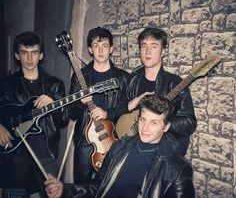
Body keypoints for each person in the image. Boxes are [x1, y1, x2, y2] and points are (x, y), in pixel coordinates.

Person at [45, 94, 195, 198]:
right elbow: (97, 187)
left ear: (167, 126)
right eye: (143, 119)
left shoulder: (178, 170)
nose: (144, 128)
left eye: (154, 122)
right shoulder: (119, 147)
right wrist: (65, 189)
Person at [0, 31, 69, 197]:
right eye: (24, 52)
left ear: (41, 55)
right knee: (14, 195)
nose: (29, 58)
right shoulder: (6, 84)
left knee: (52, 194)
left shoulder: (54, 85)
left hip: (45, 152)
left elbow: (64, 120)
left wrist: (54, 106)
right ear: (17, 56)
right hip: (14, 153)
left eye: (34, 52)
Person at [69, 26, 130, 184]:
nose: (101, 50)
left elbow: (129, 111)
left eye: (105, 45)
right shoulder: (79, 77)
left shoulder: (123, 78)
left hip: (114, 139)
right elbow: (71, 114)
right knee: (81, 187)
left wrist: (107, 113)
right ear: (90, 49)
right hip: (85, 141)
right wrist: (80, 104)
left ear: (111, 49)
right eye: (96, 46)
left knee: (111, 186)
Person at [124, 27, 197, 156]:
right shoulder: (132, 80)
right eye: (144, 46)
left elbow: (189, 123)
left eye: (154, 46)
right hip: (134, 147)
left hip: (164, 152)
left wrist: (161, 121)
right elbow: (121, 110)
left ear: (162, 52)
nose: (147, 51)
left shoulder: (175, 83)